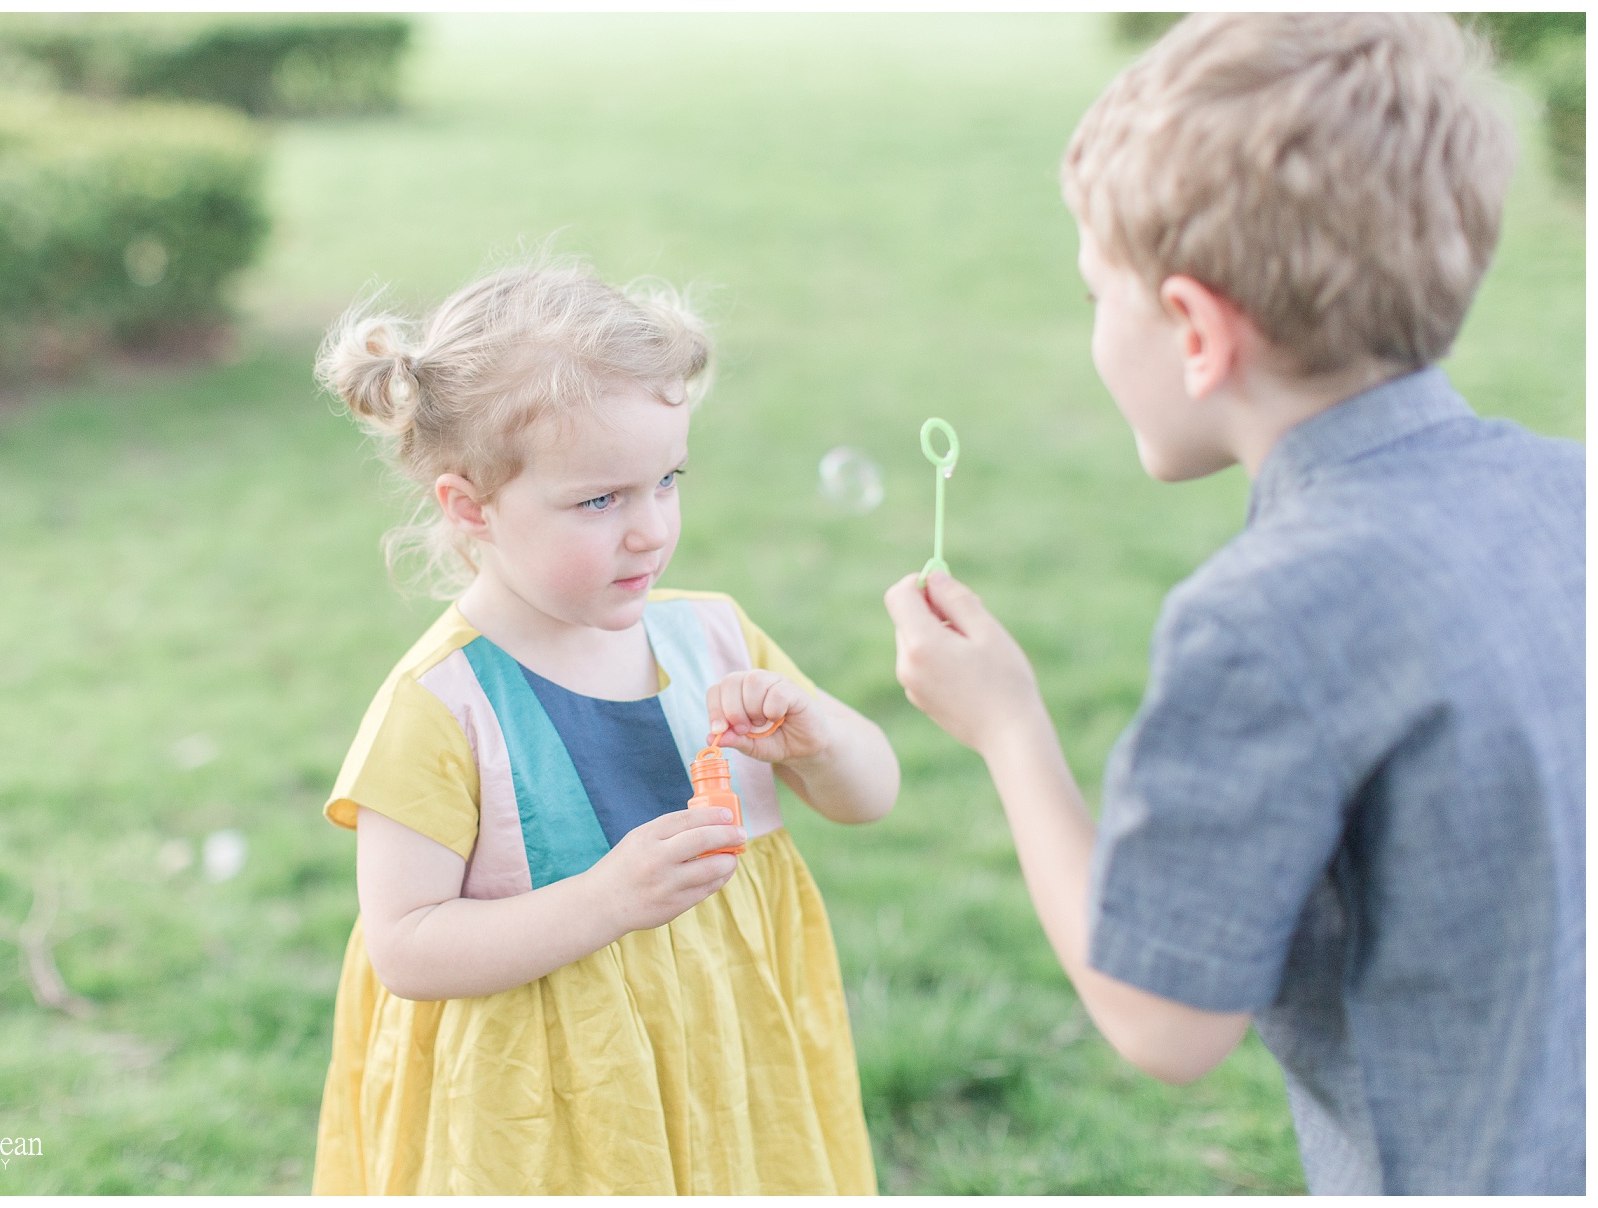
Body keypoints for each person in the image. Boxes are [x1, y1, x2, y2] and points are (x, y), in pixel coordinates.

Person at [884, 13, 1582, 1196]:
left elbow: (1166, 1021)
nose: (1097, 332)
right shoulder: (1573, 491)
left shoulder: (1259, 622)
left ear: (1198, 329)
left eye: (1101, 296)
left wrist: (1008, 728)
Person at [309, 263, 897, 1194]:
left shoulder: (714, 637)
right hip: (544, 1105)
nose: (651, 530)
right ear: (470, 506)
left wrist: (822, 738)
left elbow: (872, 797)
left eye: (667, 480)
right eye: (601, 500)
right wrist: (604, 901)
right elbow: (406, 947)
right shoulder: (443, 704)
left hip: (727, 1062)